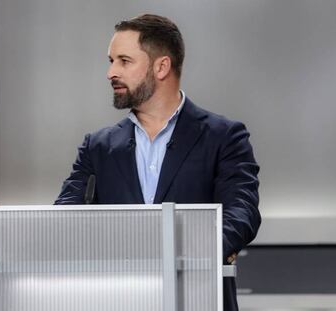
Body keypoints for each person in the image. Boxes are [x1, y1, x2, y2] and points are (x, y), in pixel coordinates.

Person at [55, 14, 260, 311]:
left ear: (161, 66)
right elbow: (63, 219)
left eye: (124, 61)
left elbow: (242, 213)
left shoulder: (224, 137)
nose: (111, 72)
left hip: (199, 299)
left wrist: (186, 256)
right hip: (120, 301)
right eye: (111, 61)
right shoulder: (97, 147)